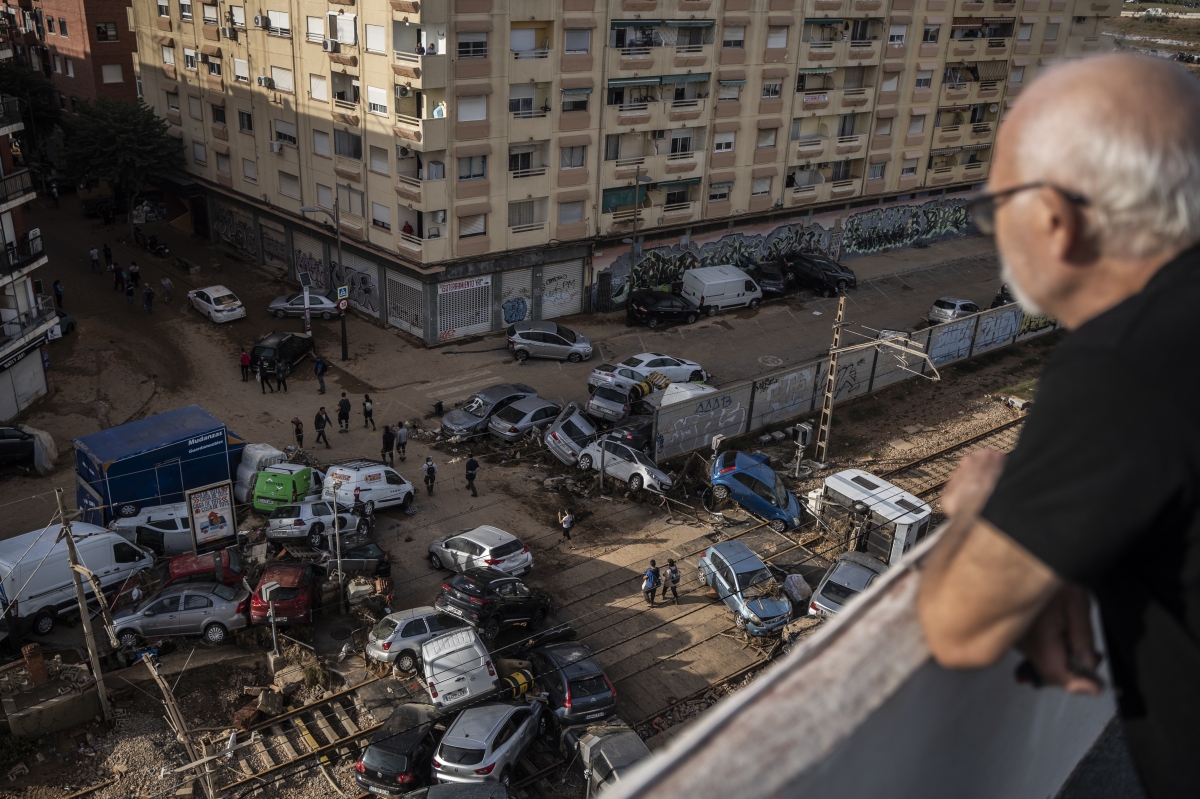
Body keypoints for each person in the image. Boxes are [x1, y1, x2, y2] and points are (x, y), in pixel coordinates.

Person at [915, 54, 1200, 799]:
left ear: (1053, 220)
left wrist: (986, 500)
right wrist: (1066, 546)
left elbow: (959, 622)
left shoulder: (1127, 362)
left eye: (992, 210)